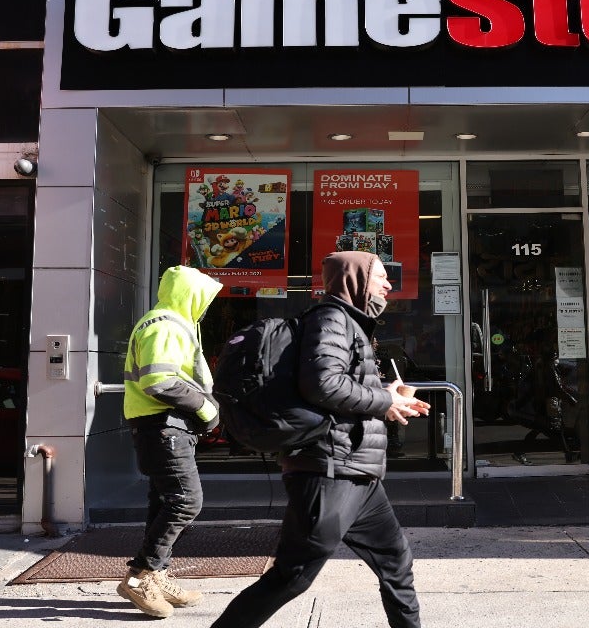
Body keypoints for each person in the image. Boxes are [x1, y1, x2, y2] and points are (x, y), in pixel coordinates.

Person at [212, 251, 431, 628]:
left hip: (357, 474)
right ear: (355, 279)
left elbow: (340, 384)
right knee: (293, 576)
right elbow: (322, 384)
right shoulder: (331, 318)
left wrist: (385, 395)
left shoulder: (350, 323)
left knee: (396, 563)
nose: (388, 284)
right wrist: (385, 401)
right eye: (380, 276)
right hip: (329, 471)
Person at [117, 264, 223, 619]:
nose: (206, 307)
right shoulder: (165, 325)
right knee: (186, 501)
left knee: (164, 501)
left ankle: (156, 575)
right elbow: (159, 381)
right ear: (190, 296)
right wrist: (206, 408)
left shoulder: (168, 323)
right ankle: (141, 577)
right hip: (162, 427)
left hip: (162, 427)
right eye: (204, 299)